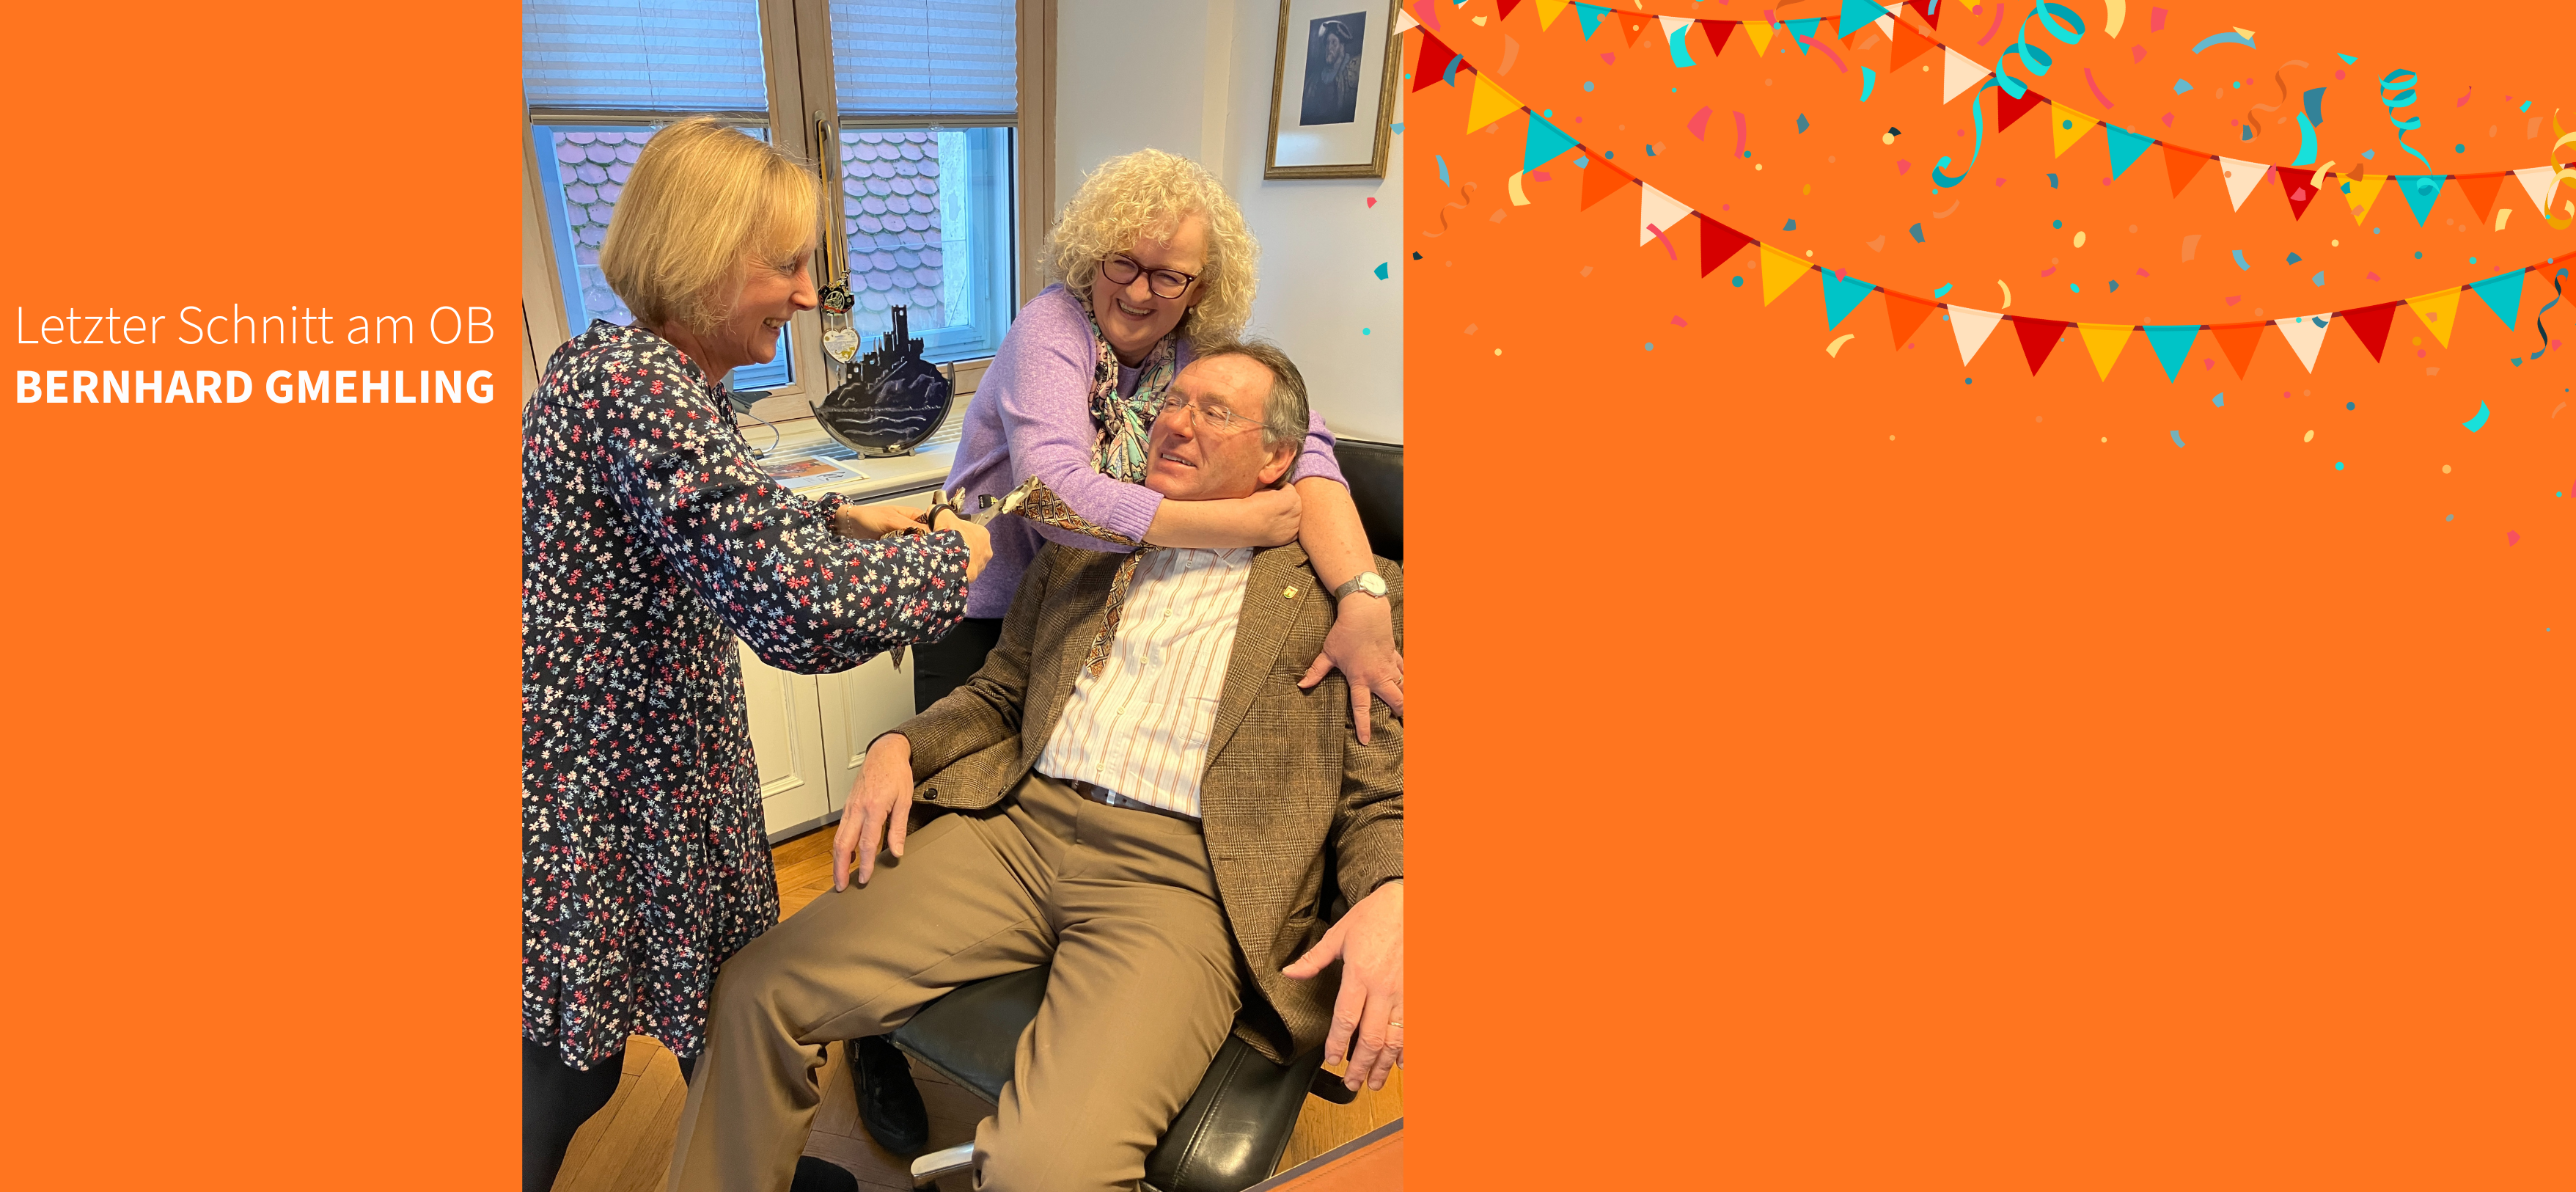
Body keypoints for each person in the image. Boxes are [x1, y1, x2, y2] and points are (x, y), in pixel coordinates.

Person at [666, 343, 1403, 1192]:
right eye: (1174, 402)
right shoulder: (1093, 542)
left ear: (1280, 457)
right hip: (1017, 830)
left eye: (1215, 412)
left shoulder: (1349, 598)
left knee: (1044, 1170)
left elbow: (1382, 793)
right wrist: (898, 744)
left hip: (1187, 879)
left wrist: (1395, 890)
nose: (1177, 423)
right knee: (755, 990)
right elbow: (1003, 689)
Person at [859, 146, 1404, 1153]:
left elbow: (1312, 460)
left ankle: (1070, 1050)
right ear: (1092, 254)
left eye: (1171, 275)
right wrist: (1240, 520)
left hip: (1089, 604)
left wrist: (1364, 594)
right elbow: (1061, 497)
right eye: (1126, 262)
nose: (1144, 291)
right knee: (925, 812)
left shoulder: (1199, 348)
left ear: (1202, 284)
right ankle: (874, 1044)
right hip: (992, 598)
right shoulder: (1051, 329)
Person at [521, 116, 995, 1192]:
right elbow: (793, 605)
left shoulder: (630, 371)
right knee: (571, 1060)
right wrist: (954, 557)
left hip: (656, 762)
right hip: (610, 780)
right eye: (784, 265)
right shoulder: (639, 391)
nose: (804, 294)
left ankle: (751, 1170)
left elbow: (707, 524)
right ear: (701, 254)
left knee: (714, 986)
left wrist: (834, 519)